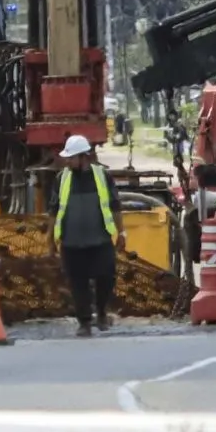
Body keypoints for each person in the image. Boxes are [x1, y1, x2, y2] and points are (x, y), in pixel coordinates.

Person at [52, 134, 124, 337]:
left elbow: (115, 206)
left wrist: (122, 232)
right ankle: (84, 322)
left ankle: (101, 312)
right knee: (77, 283)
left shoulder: (103, 176)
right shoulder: (62, 179)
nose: (67, 161)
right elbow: (54, 210)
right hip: (71, 242)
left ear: (84, 157)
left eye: (71, 157)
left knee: (106, 278)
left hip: (100, 240)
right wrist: (51, 239)